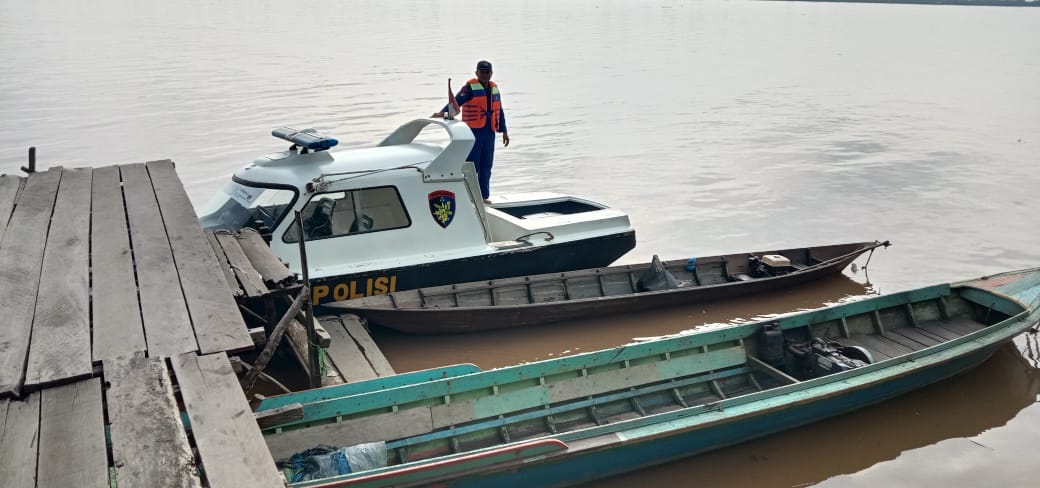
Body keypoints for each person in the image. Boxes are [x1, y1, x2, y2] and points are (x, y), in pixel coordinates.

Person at [432, 60, 509, 203]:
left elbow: (499, 110)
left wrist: (504, 131)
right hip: (474, 133)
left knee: (487, 166)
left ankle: (483, 197)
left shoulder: (494, 88)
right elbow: (456, 102)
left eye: (487, 72)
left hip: (489, 133)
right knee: (473, 166)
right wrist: (441, 113)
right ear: (477, 73)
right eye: (482, 72)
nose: (485, 75)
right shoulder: (469, 88)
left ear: (491, 73)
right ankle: (467, 196)